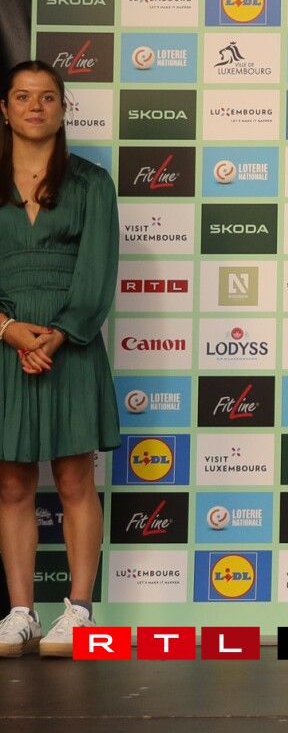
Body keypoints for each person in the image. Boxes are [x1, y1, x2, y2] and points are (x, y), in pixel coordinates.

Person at [0, 60, 119, 659]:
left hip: (70, 346)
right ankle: (21, 612)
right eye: (23, 97)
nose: (35, 107)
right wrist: (9, 331)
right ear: (5, 109)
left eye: (47, 97)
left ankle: (78, 611)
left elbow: (97, 272)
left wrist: (56, 335)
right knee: (12, 482)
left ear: (62, 108)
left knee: (75, 478)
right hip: (4, 343)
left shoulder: (92, 183)